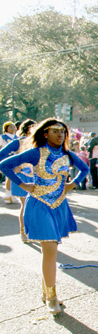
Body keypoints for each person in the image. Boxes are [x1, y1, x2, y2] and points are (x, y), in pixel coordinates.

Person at [0, 118, 89, 315]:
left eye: (63, 132)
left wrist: (72, 184)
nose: (60, 135)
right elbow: (4, 164)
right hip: (39, 204)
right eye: (56, 131)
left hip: (59, 205)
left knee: (51, 249)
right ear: (45, 133)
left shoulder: (67, 154)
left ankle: (46, 291)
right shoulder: (36, 152)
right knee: (50, 249)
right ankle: (51, 296)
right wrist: (23, 184)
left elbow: (85, 169)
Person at [0, 119, 36, 242]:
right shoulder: (18, 142)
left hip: (37, 177)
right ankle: (24, 232)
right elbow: (2, 154)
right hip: (22, 176)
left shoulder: (39, 143)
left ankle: (33, 231)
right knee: (25, 204)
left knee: (35, 205)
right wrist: (13, 164)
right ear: (28, 129)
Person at [1, 121, 17, 203]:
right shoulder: (2, 137)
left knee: (13, 177)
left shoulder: (16, 137)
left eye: (14, 127)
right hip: (5, 159)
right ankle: (8, 194)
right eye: (10, 127)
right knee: (9, 177)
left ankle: (11, 194)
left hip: (15, 159)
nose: (13, 128)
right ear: (6, 128)